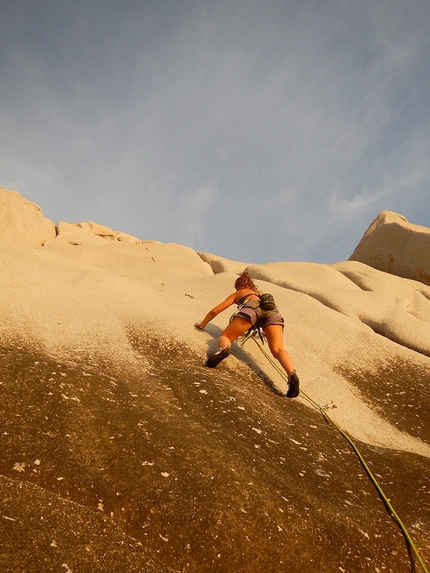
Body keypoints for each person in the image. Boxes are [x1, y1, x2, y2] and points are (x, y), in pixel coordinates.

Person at [194, 271, 300, 398]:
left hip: (251, 310)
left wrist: (203, 324)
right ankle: (291, 373)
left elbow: (216, 310)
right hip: (273, 314)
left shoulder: (238, 293)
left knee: (226, 337)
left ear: (238, 286)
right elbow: (266, 310)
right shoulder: (261, 292)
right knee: (278, 349)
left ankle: (224, 350)